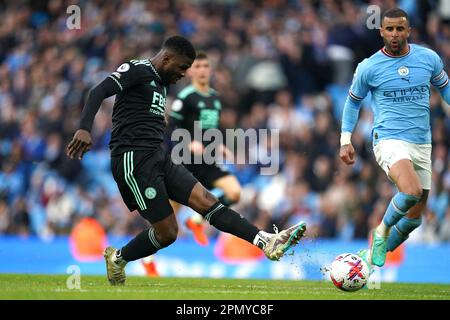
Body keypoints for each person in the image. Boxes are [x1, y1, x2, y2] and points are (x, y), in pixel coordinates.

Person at [66, 35, 306, 285]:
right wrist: (84, 128)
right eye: (181, 68)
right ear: (167, 58)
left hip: (158, 156)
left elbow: (144, 112)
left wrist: (159, 120)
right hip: (133, 160)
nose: (183, 74)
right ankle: (118, 258)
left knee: (206, 199)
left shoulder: (162, 83)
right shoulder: (137, 69)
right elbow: (98, 91)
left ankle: (265, 241)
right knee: (168, 232)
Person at [339, 8, 450, 268]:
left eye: (400, 28)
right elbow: (352, 103)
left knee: (414, 218)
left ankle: (364, 263)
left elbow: (445, 88)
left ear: (409, 31)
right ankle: (381, 231)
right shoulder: (369, 67)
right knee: (410, 191)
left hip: (422, 142)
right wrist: (346, 139)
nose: (395, 34)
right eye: (389, 29)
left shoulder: (428, 58)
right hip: (388, 139)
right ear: (382, 32)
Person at [167, 51, 241, 246]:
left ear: (211, 70)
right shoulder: (185, 97)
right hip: (185, 163)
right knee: (166, 221)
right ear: (190, 71)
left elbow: (211, 129)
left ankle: (197, 220)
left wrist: (221, 146)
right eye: (197, 66)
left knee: (234, 192)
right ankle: (146, 259)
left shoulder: (215, 98)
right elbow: (172, 127)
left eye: (205, 66)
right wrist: (189, 142)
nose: (202, 70)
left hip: (207, 161)